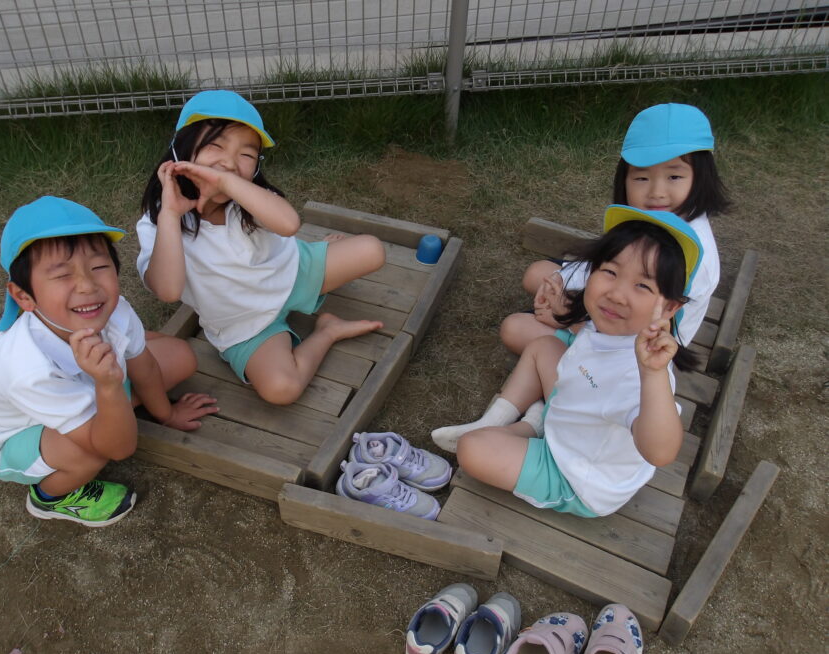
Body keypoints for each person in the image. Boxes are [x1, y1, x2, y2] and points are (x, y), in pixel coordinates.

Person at [0, 196, 217, 527]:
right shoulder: (29, 370)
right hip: (18, 436)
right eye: (61, 275)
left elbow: (145, 366)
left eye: (98, 267)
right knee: (90, 451)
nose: (87, 285)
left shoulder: (116, 308)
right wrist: (109, 386)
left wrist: (167, 414)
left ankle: (109, 407)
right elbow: (119, 449)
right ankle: (50, 497)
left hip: (83, 388)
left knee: (180, 357)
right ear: (24, 296)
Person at [442, 205, 703, 517]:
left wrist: (653, 375)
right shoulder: (610, 325)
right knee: (543, 346)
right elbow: (583, 337)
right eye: (610, 272)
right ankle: (498, 422)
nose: (617, 294)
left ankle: (525, 428)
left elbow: (660, 452)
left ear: (670, 308)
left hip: (574, 474)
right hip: (571, 414)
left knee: (473, 449)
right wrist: (558, 310)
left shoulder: (640, 374)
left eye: (642, 286)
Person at [137, 90, 386, 405]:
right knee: (282, 389)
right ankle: (328, 331)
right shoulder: (157, 222)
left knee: (373, 250)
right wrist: (171, 216)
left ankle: (318, 251)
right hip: (244, 324)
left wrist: (226, 182)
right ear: (181, 149)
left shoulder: (248, 196)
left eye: (246, 154)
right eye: (215, 145)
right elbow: (168, 290)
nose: (229, 162)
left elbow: (289, 224)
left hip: (292, 273)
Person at [499, 103, 728, 355]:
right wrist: (560, 285)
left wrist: (568, 317)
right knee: (536, 274)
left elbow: (641, 329)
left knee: (514, 328)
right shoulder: (651, 219)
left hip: (633, 347)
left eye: (674, 177)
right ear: (624, 178)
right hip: (616, 298)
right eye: (642, 178)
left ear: (702, 177)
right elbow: (616, 265)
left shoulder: (693, 257)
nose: (656, 192)